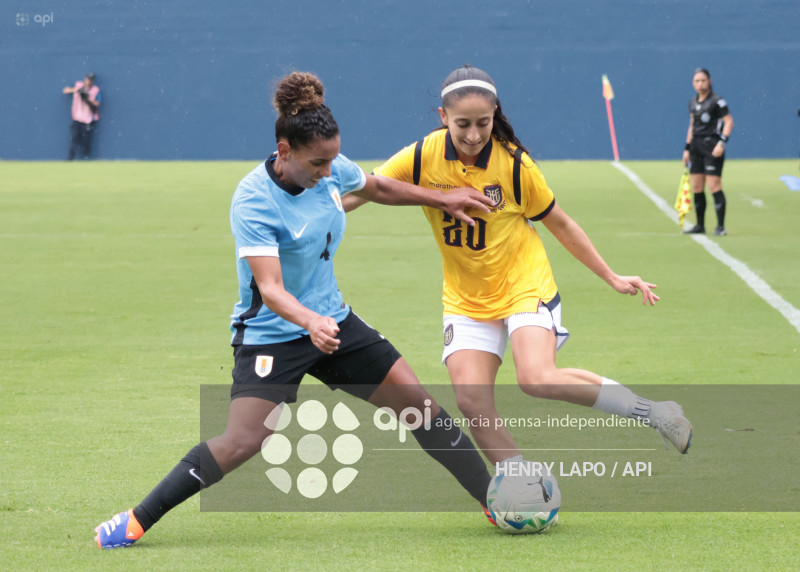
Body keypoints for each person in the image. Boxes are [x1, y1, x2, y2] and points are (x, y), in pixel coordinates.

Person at [94, 71, 498, 549]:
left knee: (419, 407)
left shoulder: (331, 166)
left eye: (332, 160)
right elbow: (269, 289)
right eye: (318, 163)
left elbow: (377, 187)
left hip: (334, 321)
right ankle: (137, 519)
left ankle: (496, 501)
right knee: (243, 441)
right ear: (284, 151)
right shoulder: (253, 199)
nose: (328, 173)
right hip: (273, 333)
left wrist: (442, 198)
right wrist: (310, 322)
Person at [344, 65, 693, 468]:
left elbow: (561, 224)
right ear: (443, 116)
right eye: (462, 124)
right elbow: (365, 190)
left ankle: (655, 412)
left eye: (483, 123)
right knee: (472, 402)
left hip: (523, 285)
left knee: (536, 378)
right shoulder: (423, 155)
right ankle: (522, 483)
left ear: (495, 113)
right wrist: (308, 211)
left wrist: (611, 276)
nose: (473, 135)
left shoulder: (514, 166)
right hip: (466, 296)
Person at [681, 68, 734, 235]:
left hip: (712, 147)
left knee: (714, 185)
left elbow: (729, 122)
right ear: (692, 83)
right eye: (697, 81)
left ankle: (720, 227)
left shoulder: (716, 101)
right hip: (696, 147)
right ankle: (700, 225)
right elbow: (692, 126)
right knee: (697, 186)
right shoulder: (692, 102)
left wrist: (722, 143)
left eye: (703, 80)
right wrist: (687, 149)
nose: (700, 84)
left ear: (709, 81)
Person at [62, 72, 101, 160]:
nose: (88, 81)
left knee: (86, 140)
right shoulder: (79, 86)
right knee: (74, 139)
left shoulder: (95, 90)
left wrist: (88, 99)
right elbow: (65, 90)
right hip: (77, 119)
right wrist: (76, 90)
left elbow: (97, 103)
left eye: (90, 80)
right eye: (87, 79)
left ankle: (86, 158)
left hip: (87, 120)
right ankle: (70, 159)